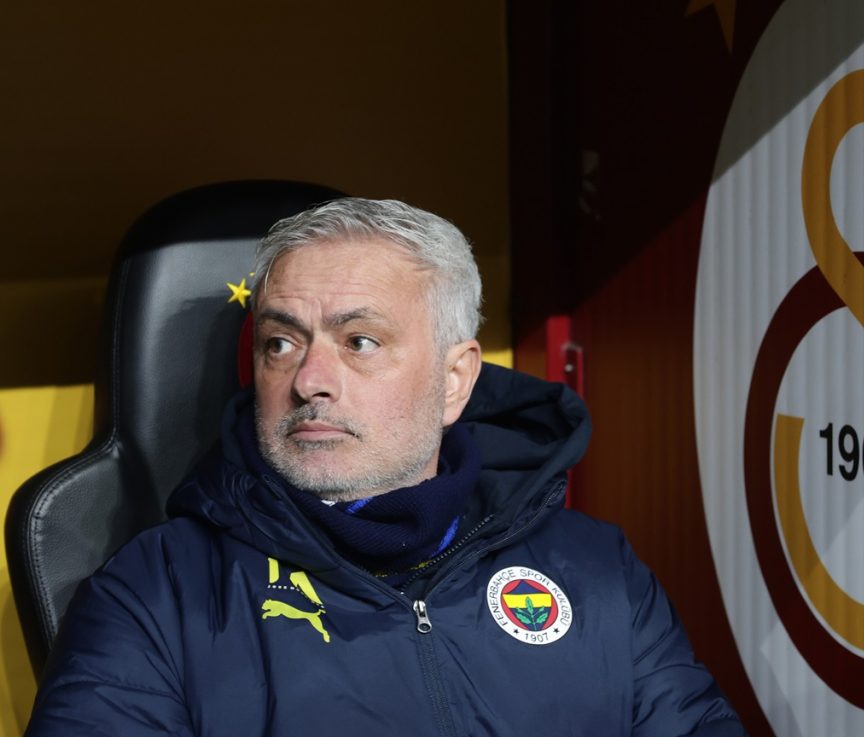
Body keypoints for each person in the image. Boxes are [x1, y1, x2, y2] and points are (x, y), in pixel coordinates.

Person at [26, 198, 746, 736]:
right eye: (281, 342)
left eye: (360, 340)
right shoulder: (155, 595)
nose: (309, 379)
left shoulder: (598, 572)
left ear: (456, 378)